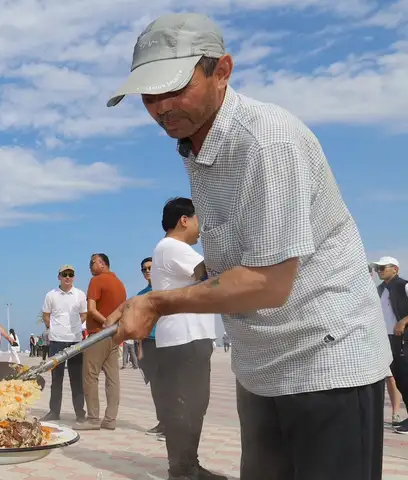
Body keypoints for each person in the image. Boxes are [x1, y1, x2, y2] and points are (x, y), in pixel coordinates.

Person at [106, 12, 391, 480]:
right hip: (261, 367)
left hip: (326, 363)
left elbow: (268, 283)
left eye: (175, 88)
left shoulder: (266, 142)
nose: (160, 107)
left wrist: (156, 302)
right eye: (149, 95)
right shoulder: (198, 145)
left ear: (222, 71)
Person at [150, 197, 222, 480]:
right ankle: (182, 470)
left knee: (193, 405)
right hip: (185, 338)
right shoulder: (172, 247)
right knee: (186, 406)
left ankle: (187, 465)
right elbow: (213, 271)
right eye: (197, 220)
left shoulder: (169, 249)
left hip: (188, 337)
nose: (200, 228)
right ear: (184, 220)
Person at [77, 253, 126, 431]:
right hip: (114, 335)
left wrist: (106, 322)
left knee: (90, 376)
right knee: (113, 378)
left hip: (98, 334)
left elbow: (91, 309)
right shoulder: (120, 284)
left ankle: (92, 418)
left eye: (93, 263)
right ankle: (110, 419)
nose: (90, 266)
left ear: (103, 264)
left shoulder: (97, 281)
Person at [40, 264, 88, 423]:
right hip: (56, 341)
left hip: (75, 341)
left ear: (74, 277)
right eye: (64, 274)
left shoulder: (80, 294)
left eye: (71, 274)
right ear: (59, 277)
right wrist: (53, 328)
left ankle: (80, 412)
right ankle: (54, 411)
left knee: (77, 379)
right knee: (56, 379)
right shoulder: (50, 295)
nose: (68, 277)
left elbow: (84, 314)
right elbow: (46, 315)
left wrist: (73, 327)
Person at [372, 256, 408, 433]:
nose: (379, 271)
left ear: (395, 269)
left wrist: (403, 321)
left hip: (403, 339)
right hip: (387, 340)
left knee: (405, 378)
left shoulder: (404, 286)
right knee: (400, 380)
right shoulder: (380, 290)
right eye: (377, 268)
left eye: (382, 267)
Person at [137, 257, 164, 440]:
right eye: (144, 269)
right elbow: (139, 324)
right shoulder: (142, 295)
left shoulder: (166, 290)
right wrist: (139, 349)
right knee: (156, 385)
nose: (147, 271)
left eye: (150, 268)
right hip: (149, 343)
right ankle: (162, 422)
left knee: (169, 385)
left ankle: (173, 424)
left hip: (167, 342)